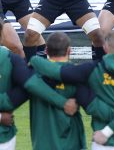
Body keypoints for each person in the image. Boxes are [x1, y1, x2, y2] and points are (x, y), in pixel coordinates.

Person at [0, 19, 81, 150]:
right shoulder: (12, 60)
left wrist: (36, 61)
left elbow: (29, 84)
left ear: (46, 50)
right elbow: (28, 84)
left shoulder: (20, 64)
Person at [29, 32, 86, 150]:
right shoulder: (78, 75)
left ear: (46, 51)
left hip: (42, 144)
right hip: (72, 143)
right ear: (69, 50)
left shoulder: (34, 72)